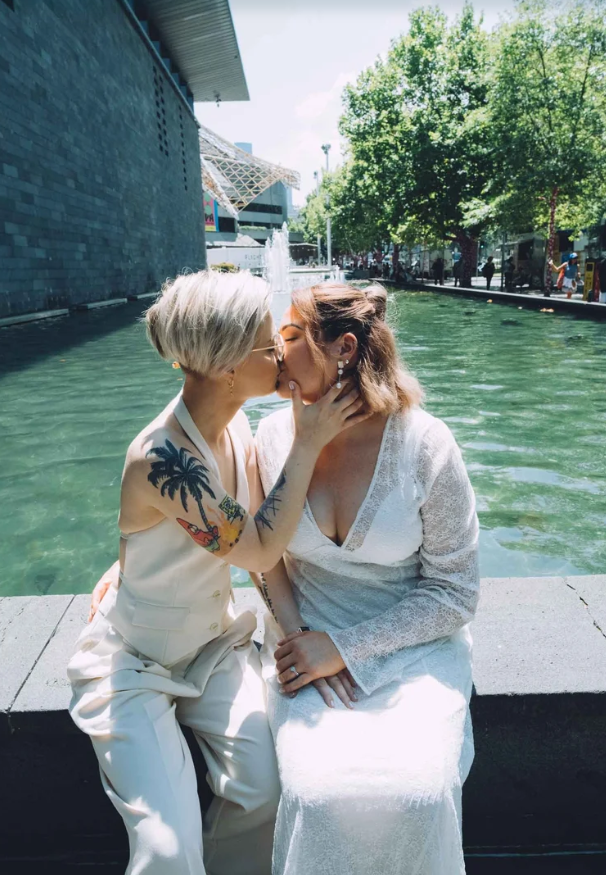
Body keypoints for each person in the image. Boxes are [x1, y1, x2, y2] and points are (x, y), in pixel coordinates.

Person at [68, 269, 366, 875]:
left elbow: (250, 543)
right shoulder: (162, 458)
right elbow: (256, 549)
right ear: (229, 367)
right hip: (136, 666)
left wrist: (295, 631)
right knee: (167, 850)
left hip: (215, 647)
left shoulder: (233, 425)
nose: (282, 354)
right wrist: (307, 446)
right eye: (268, 345)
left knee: (263, 791)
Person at [254, 282, 480, 875]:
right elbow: (261, 555)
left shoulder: (426, 445)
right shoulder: (272, 437)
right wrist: (305, 638)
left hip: (412, 648)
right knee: (316, 794)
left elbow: (455, 592)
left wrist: (347, 649)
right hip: (301, 639)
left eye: (292, 336)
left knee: (419, 794)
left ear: (344, 348)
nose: (277, 352)